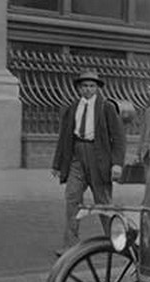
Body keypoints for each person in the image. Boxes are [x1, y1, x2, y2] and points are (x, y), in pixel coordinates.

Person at [51, 70, 125, 257]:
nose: (88, 89)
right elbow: (64, 137)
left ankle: (115, 241)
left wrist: (117, 164)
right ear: (78, 88)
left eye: (92, 86)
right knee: (72, 198)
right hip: (77, 157)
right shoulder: (72, 107)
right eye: (84, 86)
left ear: (97, 88)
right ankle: (70, 245)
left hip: (99, 159)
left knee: (103, 203)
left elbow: (119, 138)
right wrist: (57, 164)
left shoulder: (106, 107)